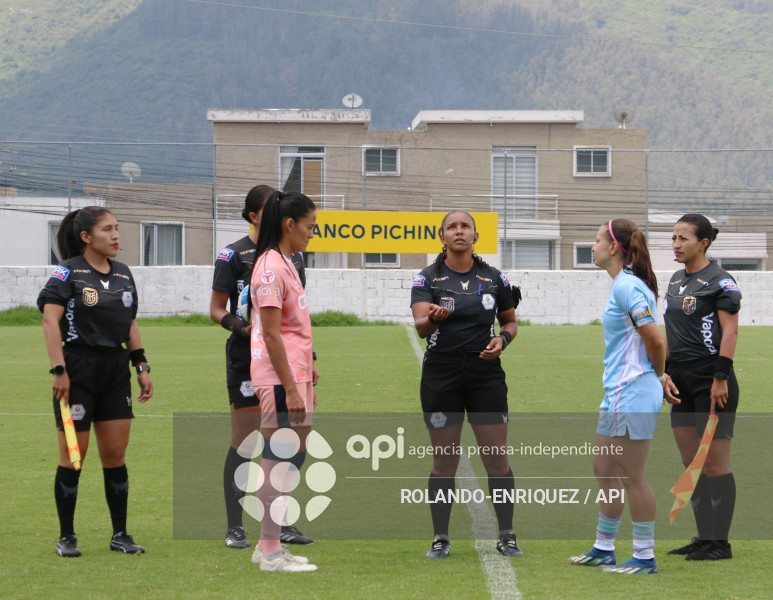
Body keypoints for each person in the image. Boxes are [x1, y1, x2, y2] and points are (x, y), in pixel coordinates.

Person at [38, 206, 153, 558]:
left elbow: (129, 323)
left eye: (117, 228)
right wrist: (59, 369)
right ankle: (67, 537)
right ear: (86, 237)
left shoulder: (123, 273)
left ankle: (120, 534)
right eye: (107, 229)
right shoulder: (67, 272)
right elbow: (50, 321)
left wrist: (141, 365)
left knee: (115, 455)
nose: (116, 235)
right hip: (78, 370)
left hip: (115, 371)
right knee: (74, 456)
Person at [410, 210, 522, 559]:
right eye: (451, 227)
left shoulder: (494, 279)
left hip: (485, 376)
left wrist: (502, 340)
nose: (459, 231)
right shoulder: (427, 277)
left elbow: (511, 323)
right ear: (441, 236)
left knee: (496, 458)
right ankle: (440, 537)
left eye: (465, 226)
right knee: (445, 460)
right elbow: (420, 326)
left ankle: (507, 534)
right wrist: (433, 317)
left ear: (475, 235)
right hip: (441, 376)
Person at [210, 185, 313, 549]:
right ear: (255, 215)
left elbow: (294, 318)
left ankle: (277, 522)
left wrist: (308, 360)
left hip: (286, 360)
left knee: (289, 445)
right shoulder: (235, 255)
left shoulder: (293, 256)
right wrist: (244, 328)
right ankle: (236, 526)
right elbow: (216, 309)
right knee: (248, 440)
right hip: (249, 359)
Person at [569, 219, 666, 575]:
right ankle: (603, 548)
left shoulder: (627, 287)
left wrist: (657, 376)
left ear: (614, 248)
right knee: (605, 470)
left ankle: (644, 556)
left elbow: (656, 339)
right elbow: (656, 337)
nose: (592, 247)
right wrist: (660, 374)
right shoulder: (622, 286)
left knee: (630, 476)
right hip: (618, 394)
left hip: (633, 394)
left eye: (596, 241)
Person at [662, 214, 741, 561]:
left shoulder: (721, 281)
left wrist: (720, 378)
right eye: (674, 238)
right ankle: (703, 537)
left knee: (714, 464)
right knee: (690, 460)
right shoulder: (676, 281)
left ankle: (720, 544)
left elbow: (731, 332)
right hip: (680, 382)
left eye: (683, 238)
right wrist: (663, 373)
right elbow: (669, 333)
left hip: (712, 382)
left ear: (703, 243)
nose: (676, 244)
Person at [248, 191, 319, 573]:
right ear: (289, 225)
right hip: (279, 378)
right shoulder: (271, 267)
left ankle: (266, 543)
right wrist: (291, 386)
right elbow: (271, 334)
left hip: (295, 372)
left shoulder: (286, 262)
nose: (312, 233)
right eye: (309, 226)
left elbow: (292, 328)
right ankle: (272, 551)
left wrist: (307, 368)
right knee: (278, 460)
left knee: (291, 458)